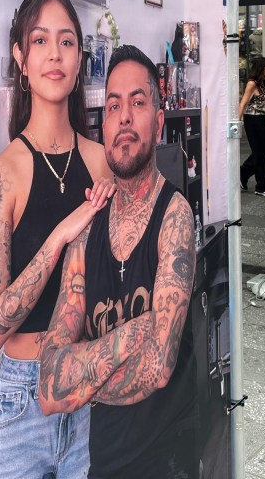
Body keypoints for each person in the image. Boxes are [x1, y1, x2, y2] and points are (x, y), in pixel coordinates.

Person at [0, 0, 114, 479]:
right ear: (20, 56)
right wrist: (59, 237)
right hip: (21, 402)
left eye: (67, 41)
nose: (54, 54)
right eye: (39, 41)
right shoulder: (1, 176)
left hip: (88, 389)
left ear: (79, 59)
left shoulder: (102, 164)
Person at [38, 45, 198, 479]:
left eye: (138, 102)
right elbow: (50, 387)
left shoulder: (175, 216)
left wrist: (84, 379)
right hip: (105, 464)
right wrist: (142, 330)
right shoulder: (88, 229)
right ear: (103, 124)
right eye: (113, 105)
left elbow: (160, 367)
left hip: (169, 462)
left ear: (159, 122)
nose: (124, 116)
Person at [239, 57, 265, 197]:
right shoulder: (252, 84)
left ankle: (243, 173)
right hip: (253, 119)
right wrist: (237, 122)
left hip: (263, 119)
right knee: (260, 152)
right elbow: (243, 103)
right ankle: (262, 186)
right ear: (261, 67)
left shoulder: (262, 84)